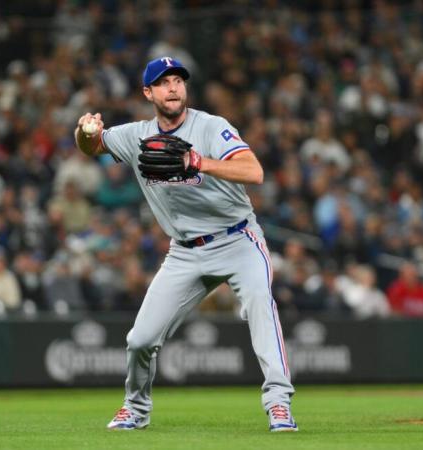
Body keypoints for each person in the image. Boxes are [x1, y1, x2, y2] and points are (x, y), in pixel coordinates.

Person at [75, 57, 297, 432]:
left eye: (178, 80)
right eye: (163, 83)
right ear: (148, 92)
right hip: (185, 251)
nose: (173, 87)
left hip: (237, 239)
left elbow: (253, 171)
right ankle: (136, 407)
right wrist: (85, 130)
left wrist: (199, 161)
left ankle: (278, 404)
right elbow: (91, 146)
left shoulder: (211, 127)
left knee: (261, 307)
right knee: (140, 339)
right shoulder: (135, 135)